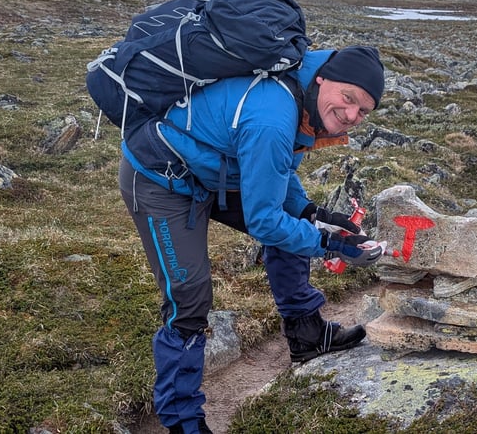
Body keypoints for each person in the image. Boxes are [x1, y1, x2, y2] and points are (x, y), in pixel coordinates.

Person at [118, 44, 386, 434]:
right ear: (324, 79)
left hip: (214, 172)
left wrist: (314, 214)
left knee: (294, 221)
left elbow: (277, 176)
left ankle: (306, 334)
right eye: (348, 99)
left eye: (362, 111)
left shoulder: (303, 98)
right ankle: (181, 420)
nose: (350, 116)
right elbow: (265, 221)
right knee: (189, 296)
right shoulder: (274, 116)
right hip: (161, 178)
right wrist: (330, 243)